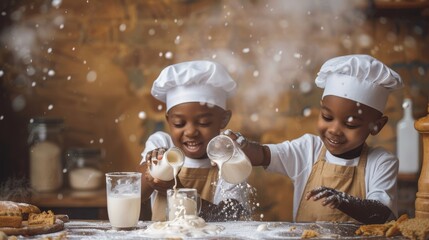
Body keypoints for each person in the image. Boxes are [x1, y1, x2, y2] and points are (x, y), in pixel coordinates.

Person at [224, 54, 403, 224]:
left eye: (350, 124)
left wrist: (343, 201)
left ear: (377, 125)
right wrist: (243, 146)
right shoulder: (308, 149)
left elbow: (380, 214)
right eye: (327, 117)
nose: (334, 130)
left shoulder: (381, 162)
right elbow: (263, 154)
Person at [139, 60, 249, 222]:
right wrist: (154, 169)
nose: (190, 132)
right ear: (169, 121)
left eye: (203, 122)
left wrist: (177, 189)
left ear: (223, 119)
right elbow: (136, 194)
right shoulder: (162, 144)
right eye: (179, 124)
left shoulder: (229, 158)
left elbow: (230, 217)